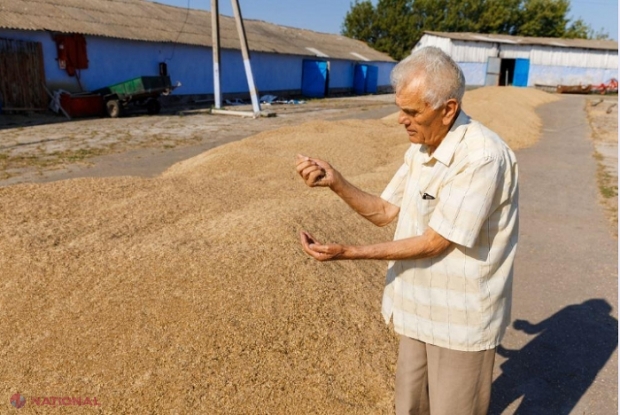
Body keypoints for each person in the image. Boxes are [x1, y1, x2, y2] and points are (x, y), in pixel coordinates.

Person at [295, 46, 519, 415]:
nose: (401, 119)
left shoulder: (482, 157)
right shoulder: (421, 147)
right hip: (416, 307)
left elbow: (435, 242)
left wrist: (348, 253)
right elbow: (385, 211)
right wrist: (335, 181)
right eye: (401, 108)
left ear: (448, 110)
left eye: (412, 112)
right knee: (410, 407)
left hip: (458, 318)